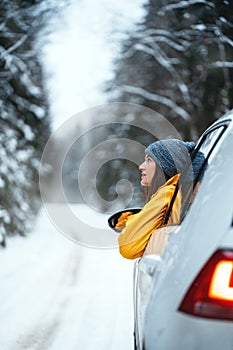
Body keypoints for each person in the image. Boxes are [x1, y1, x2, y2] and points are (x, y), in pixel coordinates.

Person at [116, 139, 204, 260]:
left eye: (149, 160)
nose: (141, 166)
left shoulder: (168, 193)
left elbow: (128, 247)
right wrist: (128, 219)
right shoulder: (177, 194)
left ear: (166, 168)